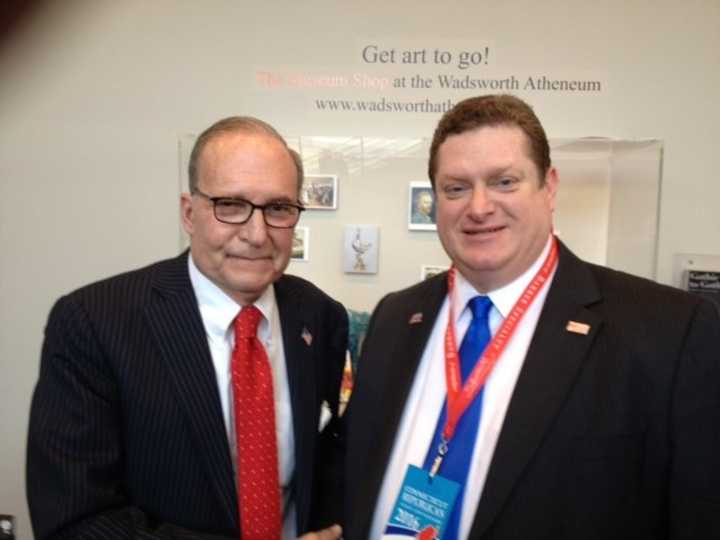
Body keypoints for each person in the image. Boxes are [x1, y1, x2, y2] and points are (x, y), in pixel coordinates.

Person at [344, 95, 720, 539]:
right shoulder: (396, 317)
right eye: (456, 188)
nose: (479, 207)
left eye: (504, 182)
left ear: (550, 187)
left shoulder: (669, 331)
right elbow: (354, 467)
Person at [27, 117, 348, 540]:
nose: (256, 234)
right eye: (230, 205)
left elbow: (325, 468)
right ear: (188, 213)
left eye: (278, 208)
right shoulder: (95, 322)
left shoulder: (320, 316)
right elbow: (75, 520)